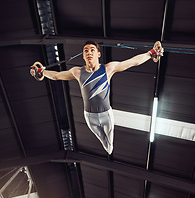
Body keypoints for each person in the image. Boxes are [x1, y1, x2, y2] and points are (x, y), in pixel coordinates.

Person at [30, 41, 164, 154]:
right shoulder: (77, 72)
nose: (89, 53)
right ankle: (106, 145)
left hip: (106, 115)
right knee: (102, 140)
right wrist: (41, 71)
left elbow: (133, 62)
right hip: (89, 117)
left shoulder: (108, 68)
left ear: (98, 54)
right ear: (83, 55)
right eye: (86, 51)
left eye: (92, 50)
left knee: (109, 147)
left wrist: (151, 53)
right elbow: (56, 76)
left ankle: (110, 147)